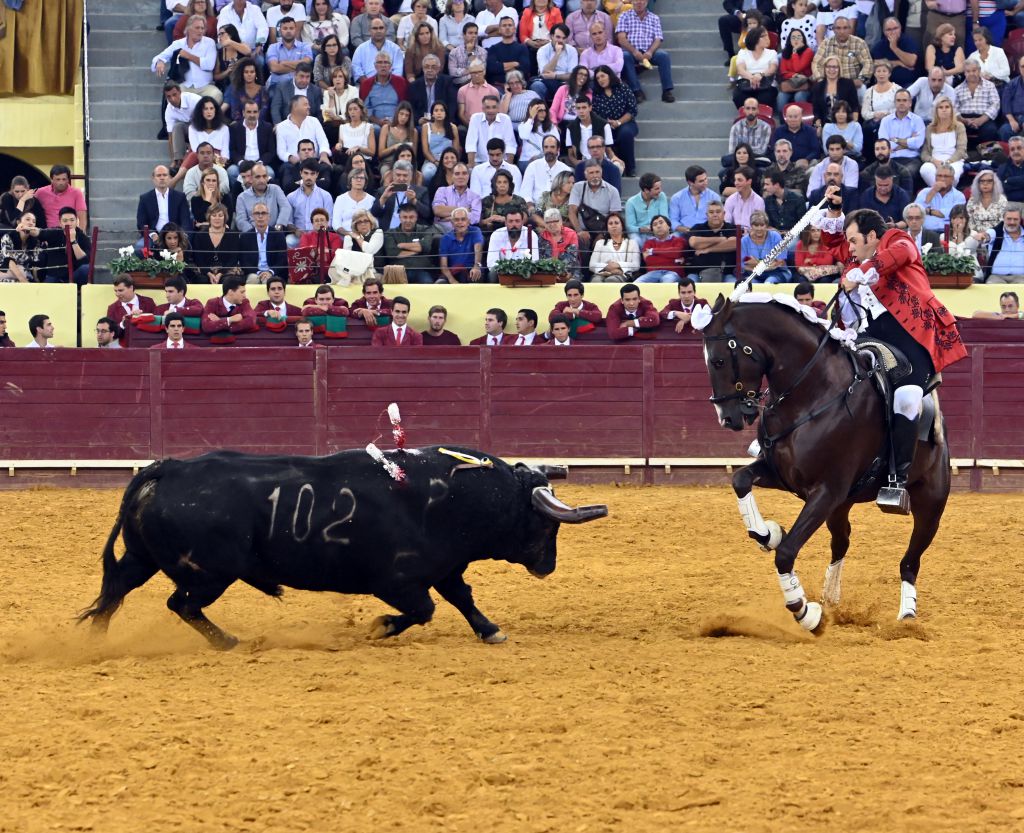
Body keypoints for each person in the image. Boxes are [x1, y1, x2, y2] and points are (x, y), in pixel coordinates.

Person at [819, 195, 967, 502]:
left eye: (855, 240)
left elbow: (902, 252)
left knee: (907, 396)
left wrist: (862, 272)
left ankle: (897, 479)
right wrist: (835, 210)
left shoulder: (895, 238)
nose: (851, 248)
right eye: (849, 241)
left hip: (913, 337)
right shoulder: (856, 259)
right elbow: (833, 243)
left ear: (872, 236)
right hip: (871, 336)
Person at [151, 14, 222, 103]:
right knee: (174, 95)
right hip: (184, 86)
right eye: (197, 28)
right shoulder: (178, 44)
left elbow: (208, 65)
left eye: (202, 28)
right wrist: (160, 61)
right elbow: (158, 57)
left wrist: (188, 56)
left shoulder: (209, 43)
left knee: (216, 95)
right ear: (188, 29)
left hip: (205, 86)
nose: (200, 31)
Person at [615, 0, 674, 103]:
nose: (639, 2)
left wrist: (650, 52)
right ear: (632, 1)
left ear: (647, 2)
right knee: (625, 56)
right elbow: (621, 39)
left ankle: (667, 91)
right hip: (631, 51)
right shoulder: (624, 16)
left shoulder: (654, 18)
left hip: (649, 51)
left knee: (663, 56)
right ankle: (636, 91)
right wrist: (634, 51)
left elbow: (658, 38)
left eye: (642, 0)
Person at [591, 65, 639, 177]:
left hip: (625, 122)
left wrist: (618, 122)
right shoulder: (596, 93)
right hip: (604, 124)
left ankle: (630, 167)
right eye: (598, 78)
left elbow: (632, 110)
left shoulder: (623, 88)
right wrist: (606, 123)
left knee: (625, 133)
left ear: (610, 75)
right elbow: (594, 113)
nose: (601, 80)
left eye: (603, 76)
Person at [811, 17, 872, 90]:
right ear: (833, 30)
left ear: (850, 29)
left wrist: (861, 80)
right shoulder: (825, 43)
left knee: (862, 88)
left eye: (845, 28)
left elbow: (868, 63)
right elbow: (816, 63)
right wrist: (821, 80)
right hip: (831, 83)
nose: (842, 31)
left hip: (853, 84)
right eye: (838, 28)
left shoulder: (859, 43)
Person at [383, 204, 437, 284]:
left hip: (421, 270)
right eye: (405, 217)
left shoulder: (426, 229)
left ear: (416, 218)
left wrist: (401, 246)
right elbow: (393, 253)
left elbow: (426, 247)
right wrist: (418, 250)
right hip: (398, 271)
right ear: (400, 218)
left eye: (411, 217)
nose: (408, 220)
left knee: (427, 283)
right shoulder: (390, 233)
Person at [878, 90, 926, 180]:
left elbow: (918, 144)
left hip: (911, 158)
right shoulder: (885, 121)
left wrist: (895, 140)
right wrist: (909, 141)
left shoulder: (917, 120)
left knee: (906, 173)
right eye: (899, 100)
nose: (901, 103)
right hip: (891, 159)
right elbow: (884, 146)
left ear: (910, 103)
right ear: (894, 103)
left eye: (904, 100)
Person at [686, 200, 738, 282]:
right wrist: (720, 239)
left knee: (734, 284)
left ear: (724, 214)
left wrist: (708, 249)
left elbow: (734, 243)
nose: (715, 215)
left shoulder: (732, 228)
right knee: (688, 283)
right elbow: (694, 242)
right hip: (698, 274)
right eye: (711, 212)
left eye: (718, 212)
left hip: (726, 274)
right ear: (707, 215)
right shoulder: (698, 228)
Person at [228, 99, 277, 184]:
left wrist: (260, 163)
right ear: (243, 113)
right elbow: (232, 150)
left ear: (259, 113)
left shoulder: (267, 127)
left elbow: (271, 151)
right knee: (231, 171)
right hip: (241, 163)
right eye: (249, 112)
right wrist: (241, 163)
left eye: (255, 112)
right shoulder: (235, 128)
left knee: (271, 173)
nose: (252, 115)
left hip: (260, 163)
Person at [953, 58, 1000, 147]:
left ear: (979, 70)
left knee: (990, 130)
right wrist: (963, 120)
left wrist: (981, 119)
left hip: (984, 118)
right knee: (954, 129)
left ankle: (986, 156)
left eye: (974, 70)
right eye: (968, 71)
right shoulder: (957, 89)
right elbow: (954, 108)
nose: (971, 74)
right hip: (963, 119)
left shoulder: (990, 86)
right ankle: (962, 155)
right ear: (964, 73)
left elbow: (995, 104)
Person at [239, 202, 289, 283]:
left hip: (273, 273)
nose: (260, 216)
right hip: (254, 273)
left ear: (269, 216)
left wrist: (270, 272)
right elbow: (244, 262)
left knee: (268, 280)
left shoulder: (278, 235)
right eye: (257, 213)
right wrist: (259, 272)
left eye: (263, 213)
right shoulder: (245, 237)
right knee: (253, 279)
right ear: (252, 216)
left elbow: (282, 260)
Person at [39, 207, 91, 284]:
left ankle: (77, 291)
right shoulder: (55, 232)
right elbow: (39, 233)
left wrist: (73, 241)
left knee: (85, 268)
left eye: (72, 220)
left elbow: (84, 260)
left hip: (73, 276)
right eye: (65, 221)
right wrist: (28, 228)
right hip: (54, 275)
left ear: (77, 221)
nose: (69, 223)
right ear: (60, 222)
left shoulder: (83, 237)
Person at [190, 204, 240, 283]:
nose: (217, 218)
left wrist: (220, 273)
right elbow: (198, 258)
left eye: (220, 215)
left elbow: (233, 258)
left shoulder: (233, 235)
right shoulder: (200, 235)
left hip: (226, 271)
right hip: (205, 271)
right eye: (214, 215)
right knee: (202, 280)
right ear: (209, 217)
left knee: (228, 281)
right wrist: (209, 273)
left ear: (225, 217)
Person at [235, 163, 292, 231]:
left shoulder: (275, 189)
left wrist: (279, 225)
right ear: (252, 178)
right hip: (251, 234)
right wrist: (254, 233)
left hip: (274, 232)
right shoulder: (242, 197)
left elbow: (286, 207)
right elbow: (241, 220)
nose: (261, 180)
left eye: (264, 176)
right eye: (258, 177)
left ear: (268, 177)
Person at [486, 208, 540, 281]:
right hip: (502, 274)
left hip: (524, 274)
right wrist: (506, 271)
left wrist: (518, 271)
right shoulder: (496, 234)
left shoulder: (531, 235)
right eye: (510, 221)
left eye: (517, 221)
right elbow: (492, 262)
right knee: (492, 273)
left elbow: (535, 260)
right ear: (505, 223)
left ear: (522, 222)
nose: (514, 225)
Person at [732, 26, 778, 109]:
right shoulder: (743, 52)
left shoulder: (772, 53)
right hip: (746, 82)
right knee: (739, 97)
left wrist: (760, 75)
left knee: (765, 98)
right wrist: (752, 78)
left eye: (767, 35)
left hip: (766, 83)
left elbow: (772, 69)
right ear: (755, 38)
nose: (768, 38)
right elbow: (740, 70)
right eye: (764, 36)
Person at [739, 210, 790, 283]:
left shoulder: (775, 236)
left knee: (768, 282)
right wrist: (769, 263)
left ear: (766, 225)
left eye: (762, 225)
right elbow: (745, 264)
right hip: (753, 274)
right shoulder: (744, 241)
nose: (759, 229)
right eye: (756, 225)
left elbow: (780, 262)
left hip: (776, 273)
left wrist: (756, 263)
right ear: (751, 225)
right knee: (749, 284)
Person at [465, 95, 517, 167]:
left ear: (498, 108)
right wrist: (471, 164)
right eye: (487, 107)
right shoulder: (475, 118)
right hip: (480, 163)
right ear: (483, 108)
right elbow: (471, 142)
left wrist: (509, 166)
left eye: (494, 107)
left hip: (501, 163)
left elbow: (510, 144)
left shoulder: (505, 119)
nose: (490, 110)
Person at [408, 54, 459, 126]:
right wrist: (418, 120)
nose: (430, 70)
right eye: (427, 67)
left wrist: (443, 120)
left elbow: (452, 106)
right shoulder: (415, 85)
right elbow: (411, 107)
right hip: (423, 124)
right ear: (423, 68)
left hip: (443, 122)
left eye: (433, 67)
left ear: (438, 69)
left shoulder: (448, 82)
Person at [522, 135, 572, 207]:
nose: (549, 150)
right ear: (543, 149)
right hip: (536, 209)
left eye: (552, 147)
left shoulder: (565, 169)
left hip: (559, 209)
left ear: (558, 149)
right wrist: (531, 208)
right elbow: (525, 193)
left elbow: (568, 195)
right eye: (546, 147)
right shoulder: (532, 166)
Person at [670, 166, 721, 236]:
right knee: (673, 237)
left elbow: (719, 218)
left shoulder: (714, 197)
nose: (705, 183)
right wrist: (683, 229)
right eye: (701, 181)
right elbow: (673, 220)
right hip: (684, 232)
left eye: (705, 179)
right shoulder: (677, 198)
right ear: (690, 182)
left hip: (707, 232)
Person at [915, 162, 966, 232]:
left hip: (949, 232)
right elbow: (917, 212)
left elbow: (954, 214)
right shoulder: (925, 192)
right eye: (939, 176)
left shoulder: (959, 196)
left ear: (952, 179)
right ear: (935, 177)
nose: (942, 179)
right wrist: (932, 192)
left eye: (946, 176)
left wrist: (929, 211)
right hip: (926, 232)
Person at [871, 17, 921, 88]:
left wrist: (894, 48)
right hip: (886, 84)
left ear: (900, 28)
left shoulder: (909, 41)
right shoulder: (880, 45)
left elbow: (911, 62)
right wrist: (898, 63)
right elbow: (875, 63)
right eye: (889, 30)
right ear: (884, 32)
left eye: (895, 28)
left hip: (908, 83)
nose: (893, 32)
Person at [34, 165, 87, 230]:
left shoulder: (76, 193)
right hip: (47, 234)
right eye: (58, 179)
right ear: (51, 179)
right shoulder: (40, 192)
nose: (61, 182)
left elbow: (82, 218)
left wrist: (81, 237)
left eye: (64, 179)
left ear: (68, 179)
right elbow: (30, 210)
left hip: (69, 233)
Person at [438, 207, 485, 282]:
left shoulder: (475, 231)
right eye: (456, 220)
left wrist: (476, 266)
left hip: (471, 270)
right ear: (452, 223)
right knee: (440, 282)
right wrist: (452, 280)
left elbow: (478, 250)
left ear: (468, 221)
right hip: (453, 272)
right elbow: (444, 266)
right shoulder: (445, 238)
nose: (460, 222)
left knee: (475, 275)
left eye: (463, 219)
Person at [432, 163, 483, 233]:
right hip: (442, 232)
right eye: (457, 174)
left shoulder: (475, 197)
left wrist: (449, 217)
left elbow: (475, 218)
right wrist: (465, 209)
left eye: (464, 173)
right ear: (452, 176)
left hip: (465, 233)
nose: (461, 176)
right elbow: (438, 210)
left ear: (468, 176)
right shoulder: (442, 191)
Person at [589, 214, 640, 282]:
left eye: (616, 223)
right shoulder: (600, 243)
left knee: (612, 280)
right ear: (607, 227)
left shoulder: (632, 243)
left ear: (622, 226)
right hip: (602, 273)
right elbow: (591, 265)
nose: (613, 226)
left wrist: (618, 265)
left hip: (622, 275)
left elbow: (636, 265)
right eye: (610, 223)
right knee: (596, 281)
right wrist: (607, 267)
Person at [266, 15, 313, 87]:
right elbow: (274, 68)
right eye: (285, 28)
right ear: (280, 31)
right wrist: (298, 69)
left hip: (299, 85)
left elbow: (306, 64)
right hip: (277, 85)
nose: (288, 31)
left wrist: (284, 63)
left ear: (295, 29)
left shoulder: (305, 46)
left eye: (291, 28)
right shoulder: (273, 47)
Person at [637, 214, 685, 283]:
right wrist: (673, 260)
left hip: (672, 273)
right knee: (636, 284)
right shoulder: (648, 243)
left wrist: (653, 251)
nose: (658, 226)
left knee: (667, 281)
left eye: (661, 222)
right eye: (655, 224)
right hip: (652, 273)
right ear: (652, 230)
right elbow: (649, 260)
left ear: (669, 226)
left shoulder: (679, 240)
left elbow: (677, 252)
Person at [982, 204, 1024, 283]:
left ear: (1020, 220)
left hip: (1021, 278)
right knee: (991, 286)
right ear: (1003, 218)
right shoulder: (996, 231)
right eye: (1009, 219)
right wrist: (983, 236)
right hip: (996, 277)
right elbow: (988, 235)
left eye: (1015, 219)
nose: (1012, 222)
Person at [770, 104, 819, 168]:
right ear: (786, 118)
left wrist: (807, 159)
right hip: (783, 164)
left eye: (795, 117)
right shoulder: (778, 131)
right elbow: (773, 150)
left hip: (805, 164)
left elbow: (816, 150)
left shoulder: (811, 131)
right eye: (790, 117)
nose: (793, 119)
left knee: (814, 164)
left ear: (801, 117)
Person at [777, 27, 813, 113]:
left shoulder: (808, 52)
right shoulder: (785, 52)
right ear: (789, 40)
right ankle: (783, 123)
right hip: (789, 83)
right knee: (781, 97)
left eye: (799, 37)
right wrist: (794, 75)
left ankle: (803, 122)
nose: (796, 39)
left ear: (803, 39)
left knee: (799, 96)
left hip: (803, 85)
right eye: (793, 37)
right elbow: (783, 72)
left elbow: (798, 68)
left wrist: (794, 52)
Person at [724, 166, 766, 230]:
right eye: (735, 180)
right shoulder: (730, 200)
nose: (736, 183)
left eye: (739, 180)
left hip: (752, 236)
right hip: (734, 235)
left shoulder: (758, 201)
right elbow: (727, 223)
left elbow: (759, 225)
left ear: (749, 181)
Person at [966, 169, 1007, 235]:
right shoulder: (972, 200)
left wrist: (989, 234)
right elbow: (969, 220)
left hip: (995, 235)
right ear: (978, 183)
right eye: (982, 181)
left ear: (994, 183)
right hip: (975, 235)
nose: (985, 184)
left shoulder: (1002, 200)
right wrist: (977, 233)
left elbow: (1003, 222)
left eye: (989, 181)